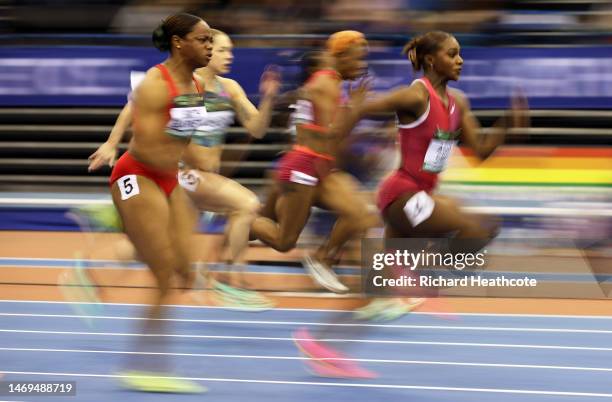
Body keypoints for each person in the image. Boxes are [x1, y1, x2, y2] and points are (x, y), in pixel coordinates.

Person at [88, 28, 280, 309]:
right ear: (206, 51)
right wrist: (111, 142)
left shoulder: (230, 89)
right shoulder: (188, 85)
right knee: (247, 204)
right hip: (182, 172)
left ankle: (91, 272)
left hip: (204, 176)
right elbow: (134, 105)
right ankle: (231, 281)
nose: (229, 56)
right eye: (223, 50)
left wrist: (269, 99)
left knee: (156, 246)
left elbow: (258, 128)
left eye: (231, 50)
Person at [349, 30, 529, 314]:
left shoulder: (459, 102)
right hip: (401, 196)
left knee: (384, 281)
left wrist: (506, 124)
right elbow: (368, 108)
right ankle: (417, 278)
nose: (460, 60)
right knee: (476, 228)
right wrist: (358, 106)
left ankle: (382, 296)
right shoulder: (416, 95)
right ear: (431, 60)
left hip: (422, 194)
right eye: (452, 54)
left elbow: (480, 152)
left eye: (460, 54)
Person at [107, 12, 212, 393]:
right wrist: (183, 115)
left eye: (211, 40)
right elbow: (150, 147)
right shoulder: (155, 83)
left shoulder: (198, 85)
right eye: (202, 39)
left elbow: (185, 146)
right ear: (178, 42)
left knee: (185, 272)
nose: (210, 46)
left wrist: (210, 169)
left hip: (169, 178)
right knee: (165, 275)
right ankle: (144, 366)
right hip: (136, 176)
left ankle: (128, 240)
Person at [250, 31, 378, 294]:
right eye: (357, 59)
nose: (361, 66)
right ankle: (240, 218)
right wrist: (355, 109)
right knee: (284, 242)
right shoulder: (326, 85)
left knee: (362, 215)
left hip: (321, 168)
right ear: (339, 56)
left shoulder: (330, 83)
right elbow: (334, 136)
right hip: (303, 169)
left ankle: (323, 259)